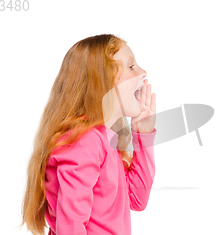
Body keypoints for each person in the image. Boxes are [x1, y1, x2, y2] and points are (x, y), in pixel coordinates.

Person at [20, 34, 157, 235]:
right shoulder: (85, 140)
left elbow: (136, 199)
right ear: (101, 79)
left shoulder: (104, 136)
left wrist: (142, 135)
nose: (143, 72)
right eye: (131, 66)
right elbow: (71, 229)